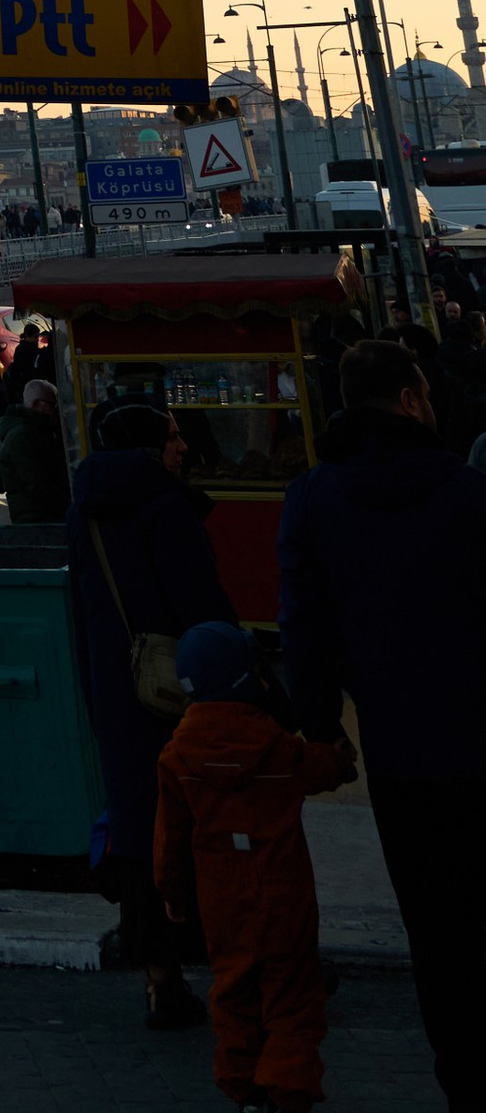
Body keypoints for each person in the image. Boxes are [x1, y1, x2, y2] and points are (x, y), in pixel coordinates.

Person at [279, 333, 486, 1113]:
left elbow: (306, 625)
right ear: (408, 399)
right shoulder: (467, 493)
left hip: (401, 757)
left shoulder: (314, 498)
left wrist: (321, 724)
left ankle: (465, 1079)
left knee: (438, 932)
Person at [67, 400, 235, 1031]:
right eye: (171, 438)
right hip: (180, 693)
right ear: (147, 448)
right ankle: (233, 961)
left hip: (118, 694)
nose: (182, 448)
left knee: (141, 834)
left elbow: (78, 610)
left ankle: (160, 977)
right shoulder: (167, 509)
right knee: (206, 823)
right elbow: (203, 607)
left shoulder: (84, 510)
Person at [156, 616, 354, 1113]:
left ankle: (244, 1089)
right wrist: (341, 754)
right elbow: (329, 767)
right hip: (284, 894)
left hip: (222, 900)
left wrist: (174, 894)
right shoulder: (280, 750)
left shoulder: (177, 756)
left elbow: (171, 838)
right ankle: (287, 1093)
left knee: (234, 992)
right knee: (292, 996)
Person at [0, 376, 71, 525]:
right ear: (37, 404)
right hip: (38, 517)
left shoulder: (35, 430)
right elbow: (36, 482)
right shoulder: (23, 435)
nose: (56, 410)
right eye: (53, 404)